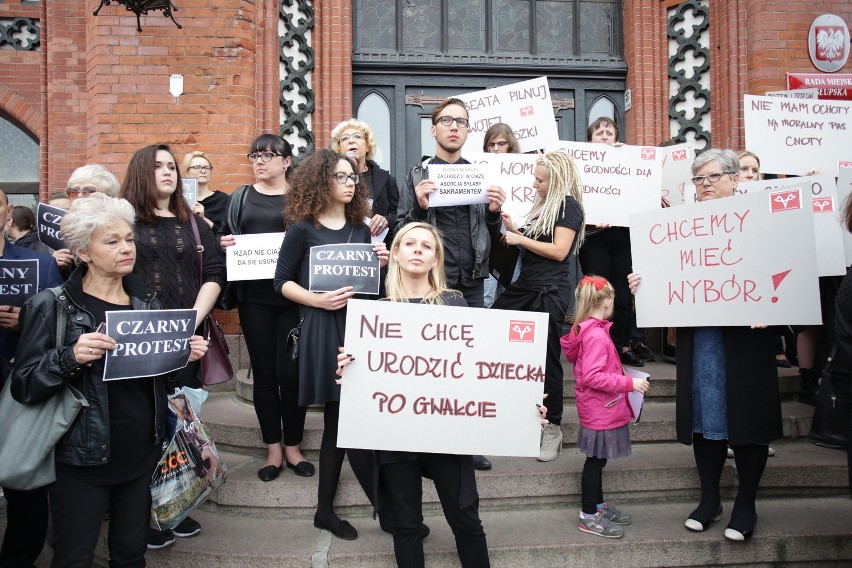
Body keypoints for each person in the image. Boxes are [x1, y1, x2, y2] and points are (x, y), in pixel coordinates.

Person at [9, 193, 208, 566]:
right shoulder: (51, 306)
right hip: (81, 460)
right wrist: (70, 357)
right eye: (112, 241)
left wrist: (183, 357)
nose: (126, 248)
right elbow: (23, 385)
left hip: (141, 453)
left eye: (129, 239)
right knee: (74, 557)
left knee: (131, 555)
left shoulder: (147, 303)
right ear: (84, 252)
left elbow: (162, 383)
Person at [629, 149, 782, 541]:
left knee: (748, 419)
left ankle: (745, 503)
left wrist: (774, 306)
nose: (706, 185)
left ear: (736, 179)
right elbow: (666, 276)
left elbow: (789, 271)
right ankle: (710, 499)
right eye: (699, 179)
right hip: (703, 338)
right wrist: (644, 286)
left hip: (747, 339)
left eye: (714, 177)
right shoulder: (682, 225)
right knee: (705, 416)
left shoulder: (764, 222)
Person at [336, 222, 490, 566]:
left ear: (436, 259)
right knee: (406, 527)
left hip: (447, 433)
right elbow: (366, 375)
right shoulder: (373, 310)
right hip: (395, 433)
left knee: (467, 521)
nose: (418, 249)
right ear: (395, 254)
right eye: (410, 243)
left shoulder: (455, 303)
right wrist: (350, 368)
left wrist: (520, 404)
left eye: (426, 245)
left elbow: (481, 368)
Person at [273, 148, 389, 540]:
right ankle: (381, 509)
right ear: (321, 181)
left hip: (358, 327)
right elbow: (281, 282)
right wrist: (316, 299)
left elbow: (370, 289)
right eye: (340, 176)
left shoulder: (362, 228)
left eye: (353, 177)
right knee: (342, 419)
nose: (349, 183)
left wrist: (382, 265)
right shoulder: (302, 228)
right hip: (322, 327)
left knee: (344, 422)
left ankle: (342, 509)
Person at [120, 143, 225, 548]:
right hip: (141, 341)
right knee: (145, 427)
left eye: (172, 167)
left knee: (180, 427)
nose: (168, 173)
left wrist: (190, 321)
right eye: (159, 166)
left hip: (187, 339)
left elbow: (214, 272)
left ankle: (173, 508)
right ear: (142, 171)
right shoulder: (123, 219)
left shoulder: (193, 222)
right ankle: (141, 516)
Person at [219, 134, 312, 482]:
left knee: (292, 374)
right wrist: (225, 242)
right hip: (254, 300)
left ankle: (293, 446)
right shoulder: (240, 198)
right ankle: (273, 448)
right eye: (255, 155)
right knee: (265, 375)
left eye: (268, 155)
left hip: (294, 299)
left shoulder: (301, 200)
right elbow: (226, 236)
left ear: (286, 161)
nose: (259, 161)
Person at [492, 150, 584, 462]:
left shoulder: (568, 205)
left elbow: (559, 251)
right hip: (526, 287)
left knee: (546, 357)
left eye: (540, 179)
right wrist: (514, 230)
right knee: (492, 331)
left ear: (556, 180)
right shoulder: (542, 207)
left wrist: (521, 240)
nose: (535, 184)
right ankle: (509, 413)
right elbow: (535, 246)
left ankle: (552, 427)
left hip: (549, 291)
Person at [0, 188, 63, 567]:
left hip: (21, 393)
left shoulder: (39, 264)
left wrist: (28, 322)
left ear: (7, 213)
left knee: (26, 495)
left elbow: (61, 324)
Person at [560, 275, 649, 539]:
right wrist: (628, 383)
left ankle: (597, 506)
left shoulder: (588, 329)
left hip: (598, 407)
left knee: (597, 460)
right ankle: (588, 515)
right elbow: (593, 377)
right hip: (601, 408)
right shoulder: (597, 335)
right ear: (608, 301)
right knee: (595, 462)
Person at [395, 97, 505, 309]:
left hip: (473, 280)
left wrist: (493, 214)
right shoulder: (417, 176)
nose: (454, 126)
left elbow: (489, 237)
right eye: (446, 120)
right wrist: (420, 208)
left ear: (467, 131)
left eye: (461, 122)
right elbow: (400, 232)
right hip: (432, 279)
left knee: (472, 340)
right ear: (433, 130)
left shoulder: (479, 176)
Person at [578, 118, 651, 367]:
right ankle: (594, 346)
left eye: (609, 132)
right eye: (599, 133)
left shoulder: (628, 161)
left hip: (623, 237)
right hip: (593, 238)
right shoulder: (581, 164)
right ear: (590, 140)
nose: (605, 136)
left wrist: (629, 157)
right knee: (597, 293)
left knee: (622, 295)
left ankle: (619, 346)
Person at [330, 118, 398, 241]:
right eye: (345, 138)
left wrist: (386, 220)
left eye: (357, 137)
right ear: (339, 149)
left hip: (376, 247)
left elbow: (399, 215)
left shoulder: (385, 179)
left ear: (367, 146)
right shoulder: (331, 178)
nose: (351, 141)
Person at [50, 165, 123, 277]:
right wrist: (51, 262)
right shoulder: (54, 231)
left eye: (88, 191)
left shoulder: (123, 226)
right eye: (74, 191)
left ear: (108, 196)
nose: (79, 196)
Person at [482, 122, 521, 310]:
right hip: (488, 243)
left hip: (515, 244)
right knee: (486, 298)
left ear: (510, 145)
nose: (496, 148)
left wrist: (514, 231)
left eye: (501, 143)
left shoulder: (524, 171)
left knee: (510, 296)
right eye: (491, 144)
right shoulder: (479, 170)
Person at [183, 151, 229, 235]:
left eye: (207, 168)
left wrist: (203, 219)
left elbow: (227, 234)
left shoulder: (223, 200)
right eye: (197, 167)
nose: (203, 171)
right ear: (187, 172)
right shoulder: (179, 201)